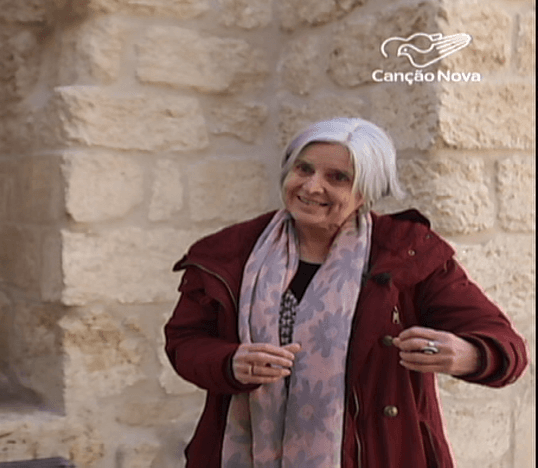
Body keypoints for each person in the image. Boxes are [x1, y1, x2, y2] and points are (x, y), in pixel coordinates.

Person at [164, 118, 528, 468]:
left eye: (337, 177)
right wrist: (230, 362)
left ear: (365, 192)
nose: (311, 187)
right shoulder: (229, 252)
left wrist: (467, 355)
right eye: (304, 169)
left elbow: (506, 346)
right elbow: (184, 341)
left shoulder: (408, 253)